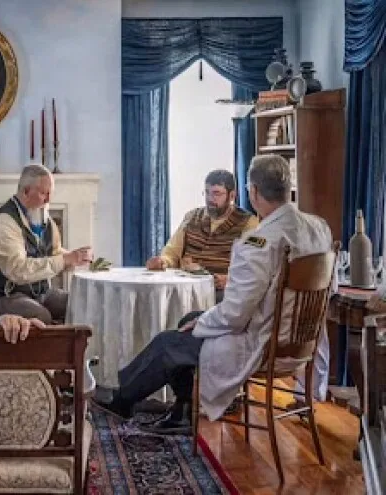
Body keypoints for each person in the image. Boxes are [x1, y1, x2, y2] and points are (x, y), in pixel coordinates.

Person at [91, 154, 331, 435]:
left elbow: (235, 314)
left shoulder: (259, 241)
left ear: (251, 191)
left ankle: (122, 400)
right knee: (189, 321)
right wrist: (201, 319)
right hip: (301, 341)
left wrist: (203, 323)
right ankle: (183, 410)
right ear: (287, 186)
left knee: (170, 342)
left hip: (263, 345)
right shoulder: (319, 228)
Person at [0, 164, 92, 324]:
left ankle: (76, 348)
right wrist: (65, 260)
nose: (49, 200)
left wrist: (78, 258)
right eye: (43, 193)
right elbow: (18, 270)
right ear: (26, 191)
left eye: (50, 193)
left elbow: (53, 253)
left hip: (41, 293)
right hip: (7, 296)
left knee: (83, 305)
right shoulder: (3, 224)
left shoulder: (44, 219)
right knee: (41, 316)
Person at [146, 169, 258, 302]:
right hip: (186, 289)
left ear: (232, 196)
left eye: (216, 194)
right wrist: (162, 262)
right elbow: (172, 252)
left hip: (220, 293)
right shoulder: (191, 217)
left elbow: (252, 267)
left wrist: (229, 279)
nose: (210, 199)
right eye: (207, 192)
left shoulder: (249, 223)